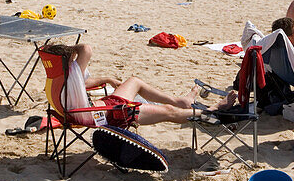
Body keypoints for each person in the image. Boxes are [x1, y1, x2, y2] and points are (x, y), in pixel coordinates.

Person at [40, 43, 233, 125]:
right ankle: (214, 110)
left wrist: (107, 79)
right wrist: (71, 49)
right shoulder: (71, 72)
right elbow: (85, 49)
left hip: (96, 109)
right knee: (167, 112)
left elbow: (85, 83)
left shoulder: (57, 79)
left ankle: (181, 101)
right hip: (107, 114)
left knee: (134, 81)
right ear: (67, 58)